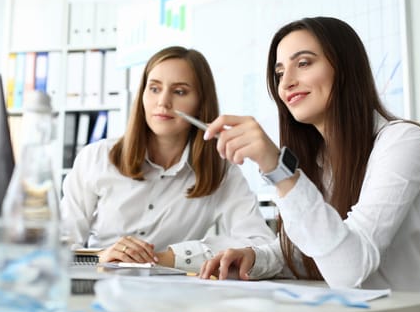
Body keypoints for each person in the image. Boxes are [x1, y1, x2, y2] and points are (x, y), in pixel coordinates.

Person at [199, 17, 420, 292]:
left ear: (345, 69)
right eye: (280, 73)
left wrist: (278, 169)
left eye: (303, 63)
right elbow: (313, 251)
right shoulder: (318, 158)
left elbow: (349, 269)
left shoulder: (403, 142)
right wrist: (255, 259)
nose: (286, 83)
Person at [60, 46, 275, 272]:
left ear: (201, 103)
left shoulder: (220, 170)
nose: (163, 102)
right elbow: (58, 246)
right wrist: (101, 256)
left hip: (170, 295)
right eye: (154, 89)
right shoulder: (96, 158)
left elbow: (261, 245)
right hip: (100, 287)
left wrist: (170, 257)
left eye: (179, 92)